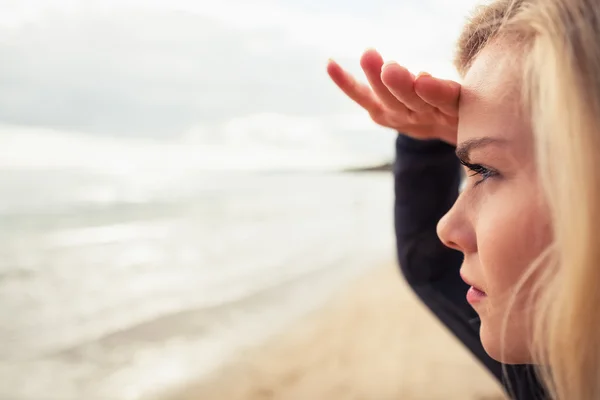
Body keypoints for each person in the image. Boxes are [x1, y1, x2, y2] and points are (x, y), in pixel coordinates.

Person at [327, 0, 600, 399]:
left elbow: (428, 266)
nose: (446, 229)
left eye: (485, 171)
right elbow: (428, 265)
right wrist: (426, 142)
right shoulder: (558, 370)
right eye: (471, 171)